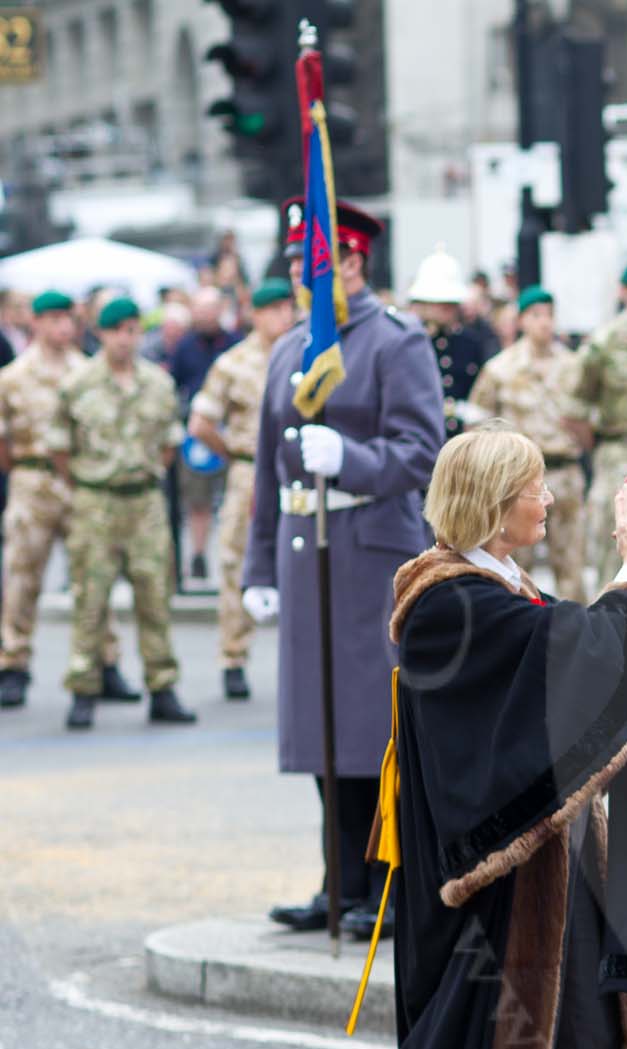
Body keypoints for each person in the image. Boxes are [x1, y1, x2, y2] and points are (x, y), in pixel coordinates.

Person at [297, 434, 627, 1049]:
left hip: (550, 861)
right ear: (494, 500)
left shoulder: (496, 588)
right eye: (535, 488)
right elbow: (567, 653)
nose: (548, 501)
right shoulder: (443, 599)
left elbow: (580, 658)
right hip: (493, 881)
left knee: (588, 1043)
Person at [244, 198, 443, 938]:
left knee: (370, 729)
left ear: (352, 263)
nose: (297, 275)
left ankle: (387, 880)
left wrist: (350, 458)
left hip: (370, 547)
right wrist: (256, 566)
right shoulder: (289, 345)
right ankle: (341, 878)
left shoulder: (397, 342)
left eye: (310, 263)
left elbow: (423, 451)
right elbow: (269, 471)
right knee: (319, 725)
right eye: (295, 263)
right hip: (305, 551)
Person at [48, 297, 195, 729]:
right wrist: (88, 484)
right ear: (101, 334)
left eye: (133, 330)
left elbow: (170, 443)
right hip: (96, 501)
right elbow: (59, 448)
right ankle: (84, 687)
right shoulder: (78, 384)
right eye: (118, 331)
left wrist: (143, 473)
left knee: (155, 595)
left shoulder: (157, 383)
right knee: (90, 598)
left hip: (144, 501)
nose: (126, 339)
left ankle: (162, 686)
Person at [0, 291, 134, 710]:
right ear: (35, 323)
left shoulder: (89, 371)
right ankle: (13, 664)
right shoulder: (14, 376)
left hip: (81, 482)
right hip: (33, 480)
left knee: (94, 576)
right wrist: (23, 471)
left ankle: (104, 663)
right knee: (23, 576)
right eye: (54, 319)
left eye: (68, 320)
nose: (63, 327)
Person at [188, 278, 296, 702]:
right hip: (250, 472)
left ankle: (299, 657)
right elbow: (200, 423)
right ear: (257, 314)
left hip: (295, 471)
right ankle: (233, 657)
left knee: (300, 562)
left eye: (289, 307)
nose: (284, 316)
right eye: (275, 309)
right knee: (238, 563)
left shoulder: (304, 354)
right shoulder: (233, 363)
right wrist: (233, 453)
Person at [470, 286, 591, 600]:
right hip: (517, 481)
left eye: (550, 316)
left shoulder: (573, 365)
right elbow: (478, 423)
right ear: (521, 320)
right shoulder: (500, 369)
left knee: (571, 569)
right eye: (536, 315)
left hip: (564, 472)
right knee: (512, 567)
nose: (544, 323)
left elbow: (591, 414)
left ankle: (572, 640)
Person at [575, 258, 627, 581]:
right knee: (616, 548)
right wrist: (597, 446)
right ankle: (613, 627)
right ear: (625, 291)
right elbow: (577, 407)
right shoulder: (604, 342)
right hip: (619, 453)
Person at [169, 286, 243, 582]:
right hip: (198, 433)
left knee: (232, 497)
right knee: (198, 499)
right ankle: (198, 554)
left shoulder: (235, 343)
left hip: (232, 430)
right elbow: (174, 385)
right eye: (199, 310)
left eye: (209, 309)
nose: (205, 316)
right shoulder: (185, 346)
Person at [405, 244, 489, 442]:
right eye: (439, 301)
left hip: (463, 441)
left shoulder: (471, 343)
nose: (447, 308)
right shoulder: (410, 343)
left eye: (451, 302)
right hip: (422, 440)